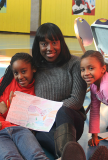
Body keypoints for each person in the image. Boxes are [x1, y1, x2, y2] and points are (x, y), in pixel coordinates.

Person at [31, 22, 87, 159]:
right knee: (36, 132)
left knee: (62, 110)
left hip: (70, 121)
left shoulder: (75, 64)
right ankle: (67, 155)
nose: (50, 48)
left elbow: (76, 101)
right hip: (45, 125)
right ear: (38, 46)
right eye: (44, 44)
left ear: (61, 43)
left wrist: (48, 110)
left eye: (54, 42)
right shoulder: (34, 67)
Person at [80, 50, 108, 147]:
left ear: (103, 69)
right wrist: (94, 136)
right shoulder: (93, 85)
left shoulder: (106, 87)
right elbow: (94, 110)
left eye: (91, 68)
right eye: (82, 69)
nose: (86, 73)